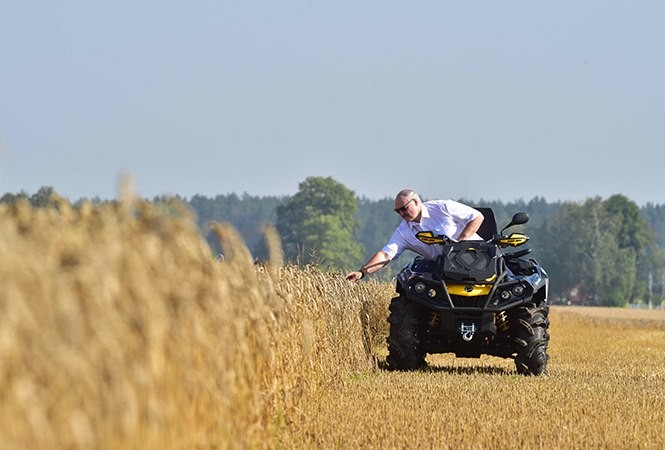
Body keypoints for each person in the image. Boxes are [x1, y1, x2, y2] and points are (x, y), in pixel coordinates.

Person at [345, 189, 484, 281]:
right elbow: (386, 255)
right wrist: (362, 272)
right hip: (446, 272)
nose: (401, 214)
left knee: (505, 279)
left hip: (479, 261)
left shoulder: (443, 207)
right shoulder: (403, 232)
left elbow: (477, 217)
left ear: (416, 202)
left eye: (404, 208)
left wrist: (461, 242)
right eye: (397, 211)